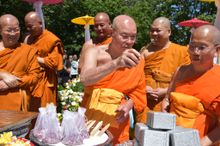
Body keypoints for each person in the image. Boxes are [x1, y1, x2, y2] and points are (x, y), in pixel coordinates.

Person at [80, 15, 146, 144]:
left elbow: (139, 91)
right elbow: (85, 78)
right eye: (124, 36)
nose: (129, 41)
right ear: (113, 33)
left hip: (118, 118)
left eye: (133, 37)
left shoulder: (137, 59)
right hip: (91, 116)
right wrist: (116, 63)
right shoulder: (94, 52)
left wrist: (128, 105)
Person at [162, 25, 220, 146]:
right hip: (169, 138)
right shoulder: (180, 71)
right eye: (192, 46)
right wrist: (164, 120)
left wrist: (201, 143)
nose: (195, 52)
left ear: (217, 50)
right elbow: (167, 99)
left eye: (201, 47)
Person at [136, 17, 190, 123]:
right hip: (146, 102)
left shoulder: (182, 51)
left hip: (169, 103)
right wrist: (144, 87)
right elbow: (136, 76)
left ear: (169, 32)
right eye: (152, 30)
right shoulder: (144, 51)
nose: (154, 33)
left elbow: (187, 79)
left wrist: (166, 92)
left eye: (158, 30)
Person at [0, 14, 40, 111]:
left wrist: (15, 82)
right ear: (0, 31)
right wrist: (3, 75)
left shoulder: (28, 51)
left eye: (16, 29)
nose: (13, 33)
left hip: (17, 103)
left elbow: (35, 77)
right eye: (9, 30)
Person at [24, 11, 64, 109]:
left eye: (30, 26)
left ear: (40, 23)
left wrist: (34, 59)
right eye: (26, 27)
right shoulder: (28, 39)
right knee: (30, 113)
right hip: (31, 81)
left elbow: (54, 63)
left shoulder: (51, 40)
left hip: (45, 81)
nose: (28, 29)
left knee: (45, 113)